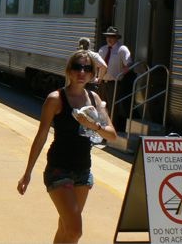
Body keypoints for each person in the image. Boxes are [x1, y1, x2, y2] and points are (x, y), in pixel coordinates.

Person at [17, 50, 117, 244]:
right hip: (58, 170)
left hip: (83, 171)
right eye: (77, 67)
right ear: (69, 71)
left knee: (65, 228)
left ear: (92, 73)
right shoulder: (56, 99)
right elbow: (41, 136)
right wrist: (27, 172)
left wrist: (93, 125)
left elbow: (112, 135)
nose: (82, 72)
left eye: (87, 68)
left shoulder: (95, 99)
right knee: (75, 231)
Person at [97, 26, 133, 131]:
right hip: (102, 82)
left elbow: (129, 63)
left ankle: (110, 131)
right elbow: (97, 65)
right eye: (108, 36)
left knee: (113, 109)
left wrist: (121, 74)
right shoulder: (102, 49)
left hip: (114, 83)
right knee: (101, 108)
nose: (109, 38)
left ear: (117, 38)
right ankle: (101, 131)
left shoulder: (122, 49)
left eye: (112, 36)